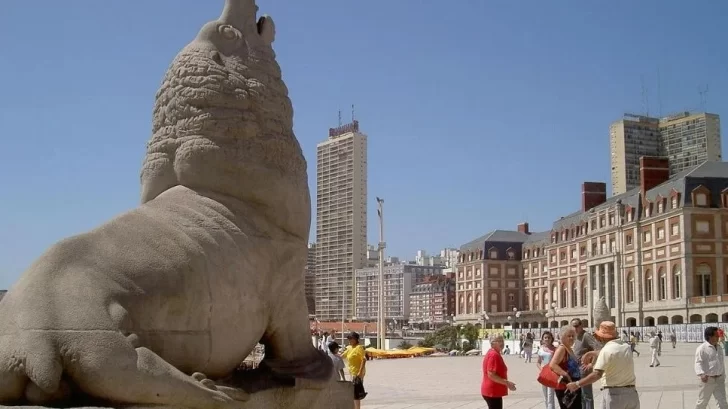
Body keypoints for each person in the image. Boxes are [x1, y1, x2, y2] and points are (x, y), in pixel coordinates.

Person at [565, 321, 639, 409]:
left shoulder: (606, 351)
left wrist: (577, 384)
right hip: (631, 394)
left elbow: (597, 374)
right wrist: (592, 353)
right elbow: (613, 352)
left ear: (602, 337)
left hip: (614, 396)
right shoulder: (626, 346)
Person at [694, 326, 727, 409]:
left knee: (722, 402)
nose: (718, 337)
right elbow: (698, 362)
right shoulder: (702, 348)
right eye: (716, 335)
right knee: (702, 402)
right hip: (707, 380)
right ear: (710, 336)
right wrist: (701, 374)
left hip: (719, 379)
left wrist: (723, 375)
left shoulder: (719, 347)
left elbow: (721, 362)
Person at [549, 326, 582, 409]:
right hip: (566, 385)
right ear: (563, 336)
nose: (571, 338)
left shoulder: (568, 348)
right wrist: (566, 375)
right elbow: (553, 364)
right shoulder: (562, 348)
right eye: (569, 336)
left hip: (573, 384)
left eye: (573, 336)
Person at [571, 318, 601, 409]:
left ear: (581, 326)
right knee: (580, 395)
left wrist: (591, 364)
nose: (574, 328)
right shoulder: (575, 336)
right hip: (575, 369)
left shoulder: (586, 336)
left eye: (576, 326)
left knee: (586, 394)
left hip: (583, 369)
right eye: (573, 326)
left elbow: (598, 348)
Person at [481, 334, 516, 409]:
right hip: (492, 391)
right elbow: (491, 374)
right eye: (499, 341)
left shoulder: (494, 353)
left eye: (502, 341)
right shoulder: (494, 355)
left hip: (493, 391)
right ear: (492, 343)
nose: (502, 343)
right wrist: (507, 383)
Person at [341, 332, 367, 408]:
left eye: (351, 338)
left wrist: (359, 372)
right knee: (352, 393)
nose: (350, 340)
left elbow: (364, 360)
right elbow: (342, 356)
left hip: (358, 374)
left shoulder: (359, 347)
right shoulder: (349, 348)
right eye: (349, 338)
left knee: (356, 393)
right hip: (352, 373)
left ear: (356, 339)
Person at [536, 331, 557, 409]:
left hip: (552, 374)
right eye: (545, 338)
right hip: (544, 374)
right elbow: (538, 362)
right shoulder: (541, 350)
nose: (547, 339)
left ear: (551, 339)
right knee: (545, 395)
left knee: (550, 395)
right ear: (543, 339)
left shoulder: (555, 349)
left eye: (549, 337)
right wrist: (542, 369)